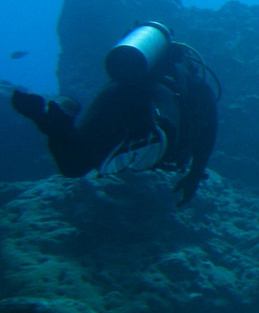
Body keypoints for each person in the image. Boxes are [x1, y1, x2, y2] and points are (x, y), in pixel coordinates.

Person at [10, 22, 219, 206]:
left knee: (73, 166)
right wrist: (195, 173)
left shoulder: (127, 73)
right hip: (157, 102)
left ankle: (58, 123)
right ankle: (147, 127)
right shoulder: (193, 81)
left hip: (115, 95)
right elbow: (209, 128)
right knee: (167, 133)